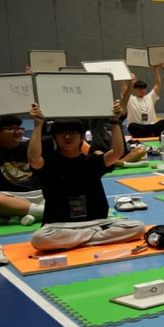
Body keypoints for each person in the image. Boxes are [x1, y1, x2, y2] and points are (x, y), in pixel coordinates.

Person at [26, 103, 146, 252]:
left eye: (73, 132)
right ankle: (91, 239)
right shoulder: (50, 163)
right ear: (55, 138)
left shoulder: (91, 161)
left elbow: (117, 152)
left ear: (82, 137)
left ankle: (76, 242)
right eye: (62, 133)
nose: (68, 137)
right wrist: (38, 125)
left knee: (138, 228)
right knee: (39, 239)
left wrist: (115, 122)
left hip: (97, 223)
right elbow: (33, 159)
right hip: (60, 226)